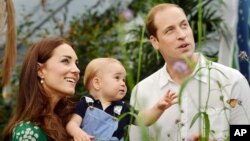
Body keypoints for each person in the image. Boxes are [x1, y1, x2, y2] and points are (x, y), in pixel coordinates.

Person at [129, 3, 250, 141]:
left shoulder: (232, 80)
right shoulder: (142, 91)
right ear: (155, 42)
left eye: (184, 25)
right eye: (170, 30)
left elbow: (244, 134)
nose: (181, 35)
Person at [66, 57, 178, 141]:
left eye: (123, 80)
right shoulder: (85, 104)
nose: (123, 83)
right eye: (117, 78)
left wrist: (158, 107)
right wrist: (77, 132)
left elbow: (144, 120)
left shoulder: (123, 108)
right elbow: (72, 124)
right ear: (97, 83)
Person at [2, 37, 80, 141]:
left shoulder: (72, 121)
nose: (77, 70)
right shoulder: (28, 131)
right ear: (40, 71)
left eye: (76, 63)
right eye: (65, 61)